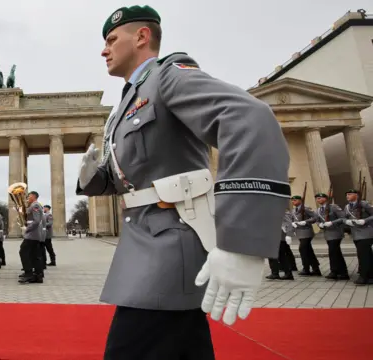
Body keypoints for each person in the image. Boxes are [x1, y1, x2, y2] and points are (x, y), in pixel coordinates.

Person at [77, 5, 291, 359]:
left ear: (142, 37)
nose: (104, 49)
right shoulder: (123, 107)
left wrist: (242, 243)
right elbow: (130, 182)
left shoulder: (168, 76)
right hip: (148, 245)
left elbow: (249, 119)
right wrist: (92, 177)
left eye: (112, 39)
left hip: (169, 250)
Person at [315, 192, 349, 280]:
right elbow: (317, 220)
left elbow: (342, 217)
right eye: (317, 198)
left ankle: (334, 271)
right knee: (336, 253)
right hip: (327, 234)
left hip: (336, 233)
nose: (318, 200)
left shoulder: (333, 207)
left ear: (325, 198)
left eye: (319, 198)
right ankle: (342, 273)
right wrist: (319, 225)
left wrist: (332, 222)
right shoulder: (318, 210)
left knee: (333, 252)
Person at [344, 189, 373, 285]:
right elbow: (344, 217)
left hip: (366, 233)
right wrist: (346, 221)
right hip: (356, 234)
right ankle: (370, 276)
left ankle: (363, 276)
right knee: (367, 255)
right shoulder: (347, 207)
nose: (347, 196)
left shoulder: (364, 204)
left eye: (349, 194)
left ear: (356, 195)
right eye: (347, 195)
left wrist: (365, 220)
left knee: (363, 255)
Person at [290, 195, 321, 276]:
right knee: (308, 251)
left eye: (295, 200)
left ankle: (306, 268)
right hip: (299, 232)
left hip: (306, 232)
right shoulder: (293, 210)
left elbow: (315, 217)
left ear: (300, 200)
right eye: (292, 200)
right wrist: (292, 225)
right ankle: (316, 268)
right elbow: (292, 220)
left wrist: (306, 221)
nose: (293, 202)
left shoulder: (306, 208)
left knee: (302, 249)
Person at [18, 191, 44, 284]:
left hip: (32, 233)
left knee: (23, 251)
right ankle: (38, 275)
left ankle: (29, 273)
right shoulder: (33, 205)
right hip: (34, 233)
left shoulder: (35, 205)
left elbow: (36, 221)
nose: (27, 198)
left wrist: (26, 229)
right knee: (35, 255)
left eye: (28, 196)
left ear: (33, 196)